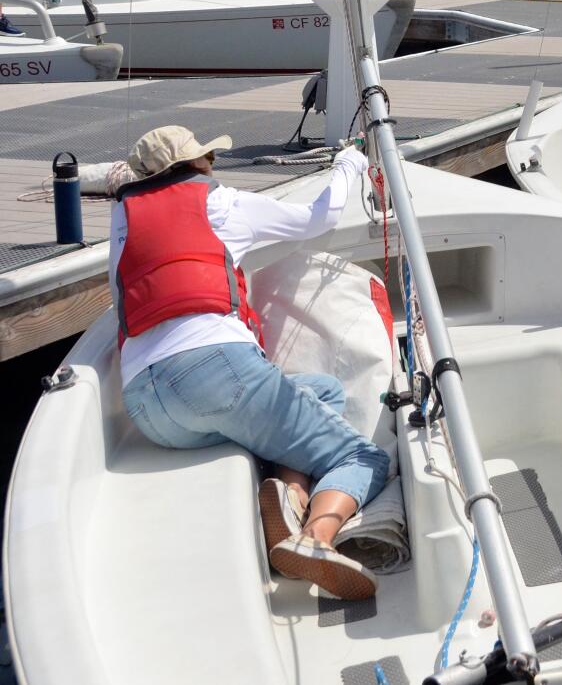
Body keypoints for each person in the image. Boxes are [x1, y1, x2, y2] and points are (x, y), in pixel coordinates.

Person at [109, 125, 390, 600]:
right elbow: (320, 217)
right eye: (209, 161)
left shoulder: (123, 220)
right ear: (197, 165)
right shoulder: (222, 204)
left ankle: (291, 496)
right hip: (217, 373)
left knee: (321, 390)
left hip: (148, 407)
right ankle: (315, 539)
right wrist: (350, 165)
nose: (213, 168)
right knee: (362, 456)